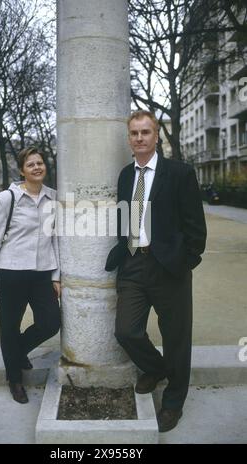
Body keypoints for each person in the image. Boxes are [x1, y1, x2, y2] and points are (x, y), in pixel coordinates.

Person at [106, 110, 206, 432]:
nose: (139, 138)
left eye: (145, 132)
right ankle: (156, 367)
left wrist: (185, 261)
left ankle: (173, 402)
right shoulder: (125, 175)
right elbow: (124, 218)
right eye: (134, 133)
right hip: (134, 263)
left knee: (176, 337)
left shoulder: (179, 173)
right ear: (129, 138)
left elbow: (195, 227)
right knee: (126, 330)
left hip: (169, 268)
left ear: (156, 136)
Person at [0, 147, 61, 404]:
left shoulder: (53, 198)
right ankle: (14, 379)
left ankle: (16, 353)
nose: (37, 167)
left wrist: (56, 275)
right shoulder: (7, 198)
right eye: (31, 164)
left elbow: (56, 240)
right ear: (21, 170)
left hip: (41, 273)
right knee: (9, 326)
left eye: (40, 163)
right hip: (11, 273)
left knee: (51, 322)